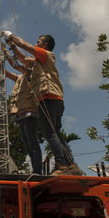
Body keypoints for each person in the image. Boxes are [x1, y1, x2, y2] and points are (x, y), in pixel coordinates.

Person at [7, 33, 84, 176]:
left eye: (38, 42)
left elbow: (25, 46)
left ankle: (61, 165)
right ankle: (71, 165)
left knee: (49, 134)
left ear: (45, 45)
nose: (36, 44)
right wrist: (11, 47)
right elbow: (23, 59)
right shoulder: (39, 62)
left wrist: (12, 37)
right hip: (53, 99)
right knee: (55, 134)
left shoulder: (46, 55)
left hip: (48, 98)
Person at [5, 52, 42, 174]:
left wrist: (5, 51)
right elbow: (8, 73)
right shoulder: (21, 78)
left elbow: (15, 65)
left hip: (30, 114)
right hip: (21, 115)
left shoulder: (32, 74)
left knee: (33, 143)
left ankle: (37, 170)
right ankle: (35, 169)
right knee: (28, 145)